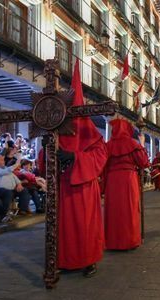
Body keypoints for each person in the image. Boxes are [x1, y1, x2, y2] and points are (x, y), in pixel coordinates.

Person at [45, 61, 107, 277]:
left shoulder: (91, 131)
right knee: (64, 226)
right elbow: (46, 157)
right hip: (62, 185)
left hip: (84, 187)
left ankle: (88, 259)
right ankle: (65, 259)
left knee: (84, 224)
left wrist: (75, 157)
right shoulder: (58, 127)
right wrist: (49, 151)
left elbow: (100, 156)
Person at [103, 119, 150, 250]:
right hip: (128, 180)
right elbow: (143, 162)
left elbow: (103, 167)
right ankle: (129, 240)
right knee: (129, 209)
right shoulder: (132, 143)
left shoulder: (108, 145)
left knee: (113, 210)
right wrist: (141, 144)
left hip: (112, 181)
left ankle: (112, 242)